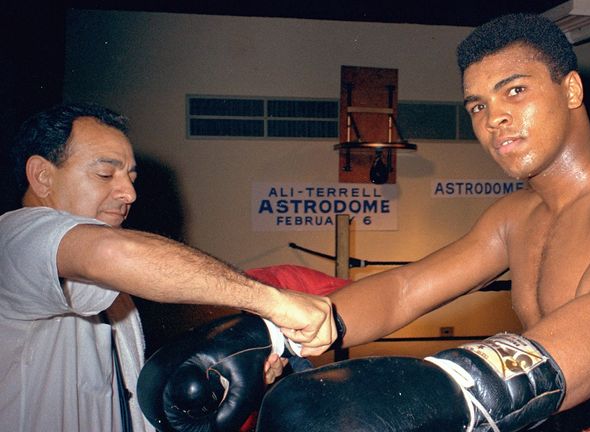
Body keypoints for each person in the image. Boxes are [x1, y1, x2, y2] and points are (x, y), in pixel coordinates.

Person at [320, 14, 590, 432]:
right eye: (478, 106)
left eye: (515, 90)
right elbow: (404, 290)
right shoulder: (514, 217)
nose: (494, 119)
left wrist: (466, 382)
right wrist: (291, 326)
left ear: (571, 90)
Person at [0, 103, 338, 431]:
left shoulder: (108, 287)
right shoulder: (15, 237)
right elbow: (114, 252)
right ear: (42, 176)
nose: (130, 193)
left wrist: (235, 374)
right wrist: (275, 302)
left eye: (131, 176)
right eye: (105, 173)